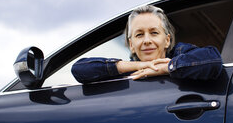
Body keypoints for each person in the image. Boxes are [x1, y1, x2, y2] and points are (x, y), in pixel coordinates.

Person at [71, 5, 223, 83]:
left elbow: (213, 60)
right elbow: (79, 69)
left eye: (154, 32)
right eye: (139, 34)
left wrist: (166, 68)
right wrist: (138, 66)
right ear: (131, 45)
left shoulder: (181, 53)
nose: (147, 40)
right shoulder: (129, 71)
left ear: (167, 40)